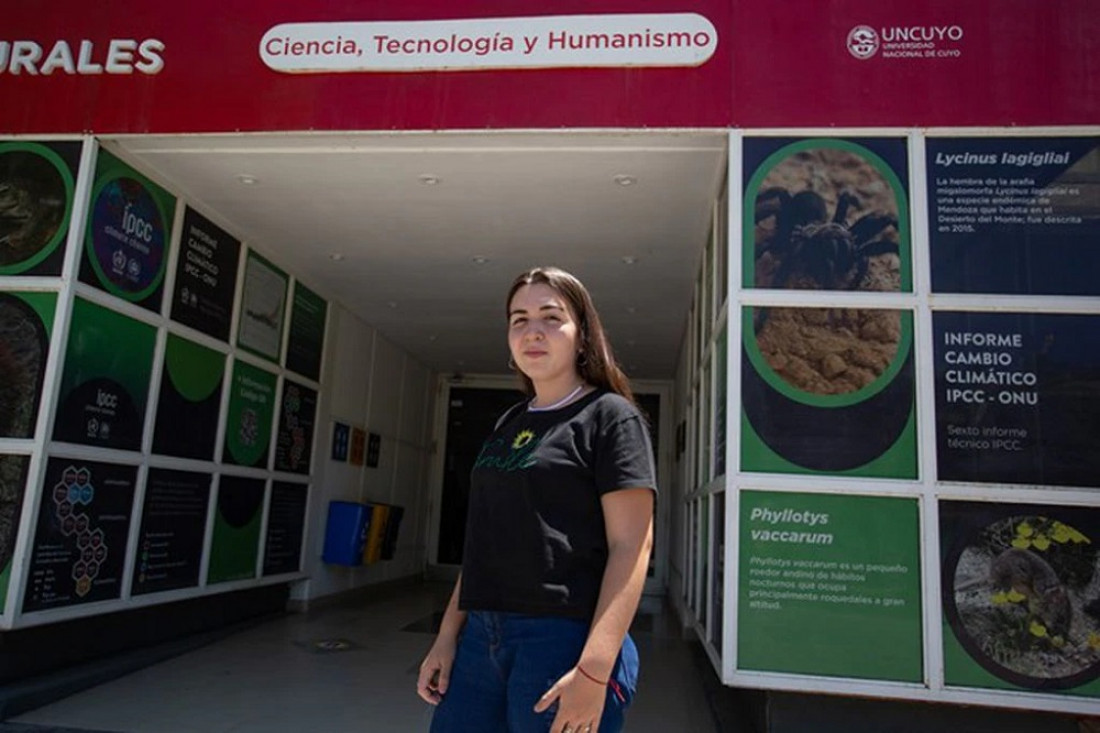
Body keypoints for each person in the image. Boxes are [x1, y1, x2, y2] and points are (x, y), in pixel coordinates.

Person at [417, 266, 656, 733]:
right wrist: (447, 636)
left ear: (582, 335)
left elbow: (633, 547)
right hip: (480, 638)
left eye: (551, 317)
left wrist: (594, 670)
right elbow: (484, 543)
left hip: (562, 639)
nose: (533, 332)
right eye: (519, 319)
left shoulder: (611, 418)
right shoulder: (509, 422)